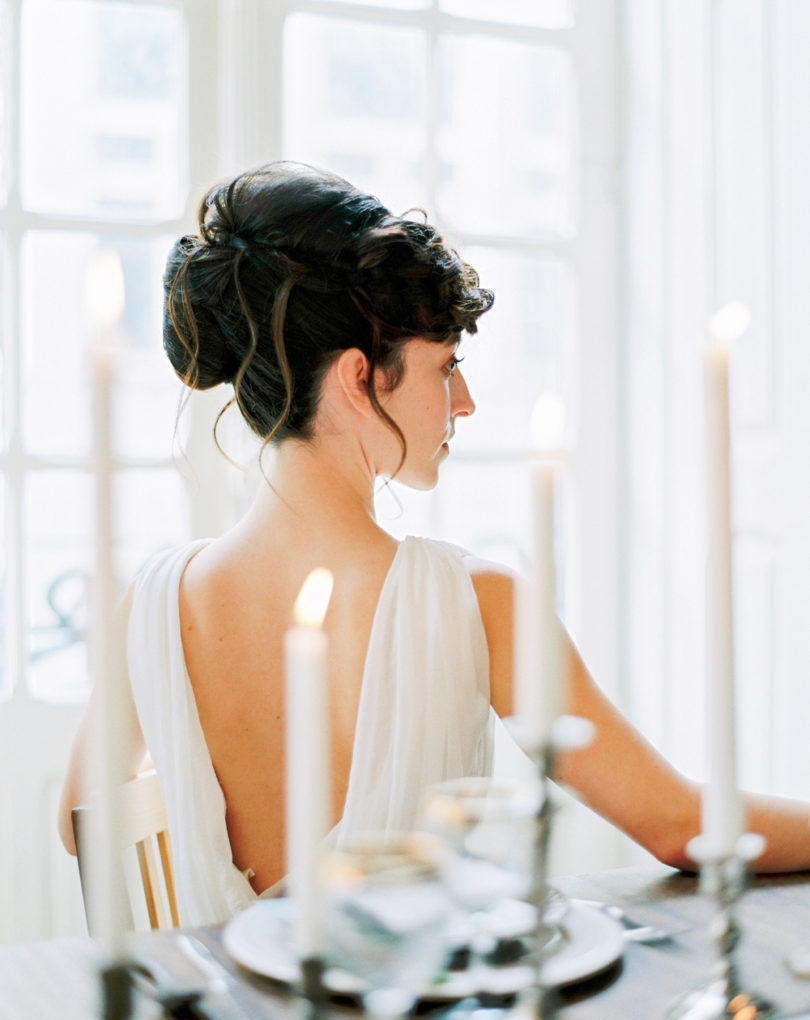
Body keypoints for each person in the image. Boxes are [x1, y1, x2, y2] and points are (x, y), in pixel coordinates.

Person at [58, 162, 810, 926]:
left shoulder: (155, 602)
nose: (466, 400)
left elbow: (80, 815)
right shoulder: (476, 602)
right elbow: (677, 823)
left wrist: (195, 771)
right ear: (359, 377)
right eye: (445, 365)